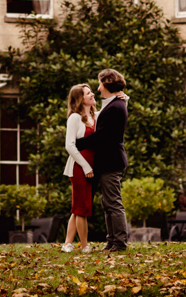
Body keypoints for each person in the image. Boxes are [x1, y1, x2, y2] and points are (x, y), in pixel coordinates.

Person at [75, 68, 130, 251]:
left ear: (106, 84)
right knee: (107, 203)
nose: (98, 89)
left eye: (99, 84)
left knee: (113, 202)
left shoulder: (115, 106)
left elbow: (103, 136)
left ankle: (119, 242)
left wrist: (78, 143)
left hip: (111, 161)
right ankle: (112, 240)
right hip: (108, 161)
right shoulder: (113, 104)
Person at [61, 83, 96, 253]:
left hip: (91, 167)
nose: (92, 95)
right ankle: (84, 246)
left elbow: (113, 111)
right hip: (79, 167)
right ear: (80, 98)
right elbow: (70, 145)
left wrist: (124, 99)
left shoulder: (95, 115)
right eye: (88, 93)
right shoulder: (74, 118)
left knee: (78, 208)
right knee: (81, 207)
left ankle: (67, 243)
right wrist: (85, 166)